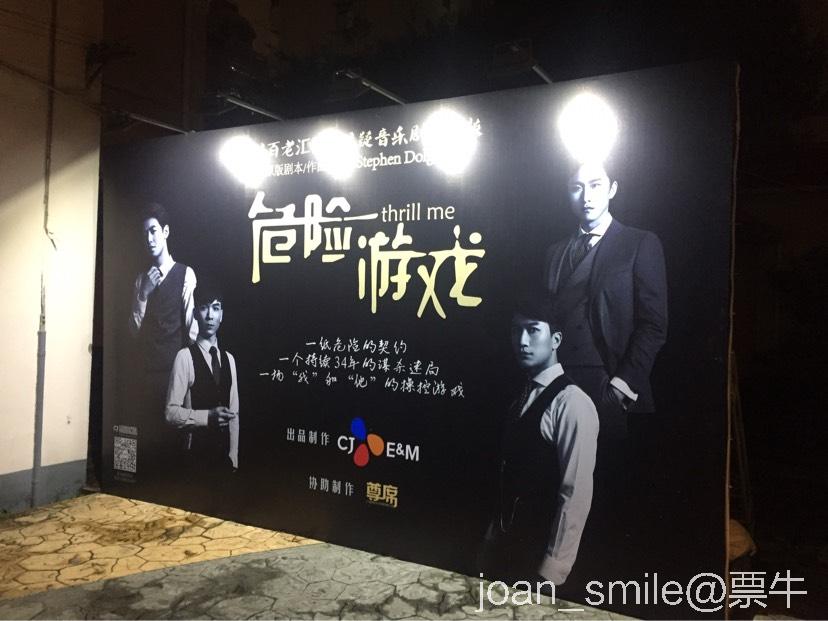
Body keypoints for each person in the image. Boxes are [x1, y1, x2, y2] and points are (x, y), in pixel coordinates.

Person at [480, 296, 598, 587]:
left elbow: (575, 493)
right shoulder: (521, 396)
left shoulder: (572, 403)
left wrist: (552, 570)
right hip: (501, 551)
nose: (522, 341)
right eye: (516, 330)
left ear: (556, 339)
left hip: (537, 562)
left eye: (533, 330)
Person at [543, 161, 667, 422]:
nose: (586, 197)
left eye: (595, 185)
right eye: (577, 187)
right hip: (558, 383)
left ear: (612, 189)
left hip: (607, 383)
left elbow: (654, 325)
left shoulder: (639, 243)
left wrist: (621, 387)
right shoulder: (554, 252)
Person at [165, 281, 239, 476]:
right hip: (195, 461)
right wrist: (207, 417)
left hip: (224, 462)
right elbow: (170, 413)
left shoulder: (229, 359)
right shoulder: (185, 357)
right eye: (204, 308)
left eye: (216, 308)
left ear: (222, 314)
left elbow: (234, 414)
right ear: (196, 313)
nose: (210, 316)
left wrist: (233, 459)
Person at [129, 203, 198, 384]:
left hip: (176, 375)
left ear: (165, 231)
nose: (149, 239)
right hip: (145, 374)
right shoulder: (141, 280)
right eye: (145, 234)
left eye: (153, 231)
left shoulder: (186, 274)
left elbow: (192, 330)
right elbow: (133, 331)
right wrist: (143, 294)